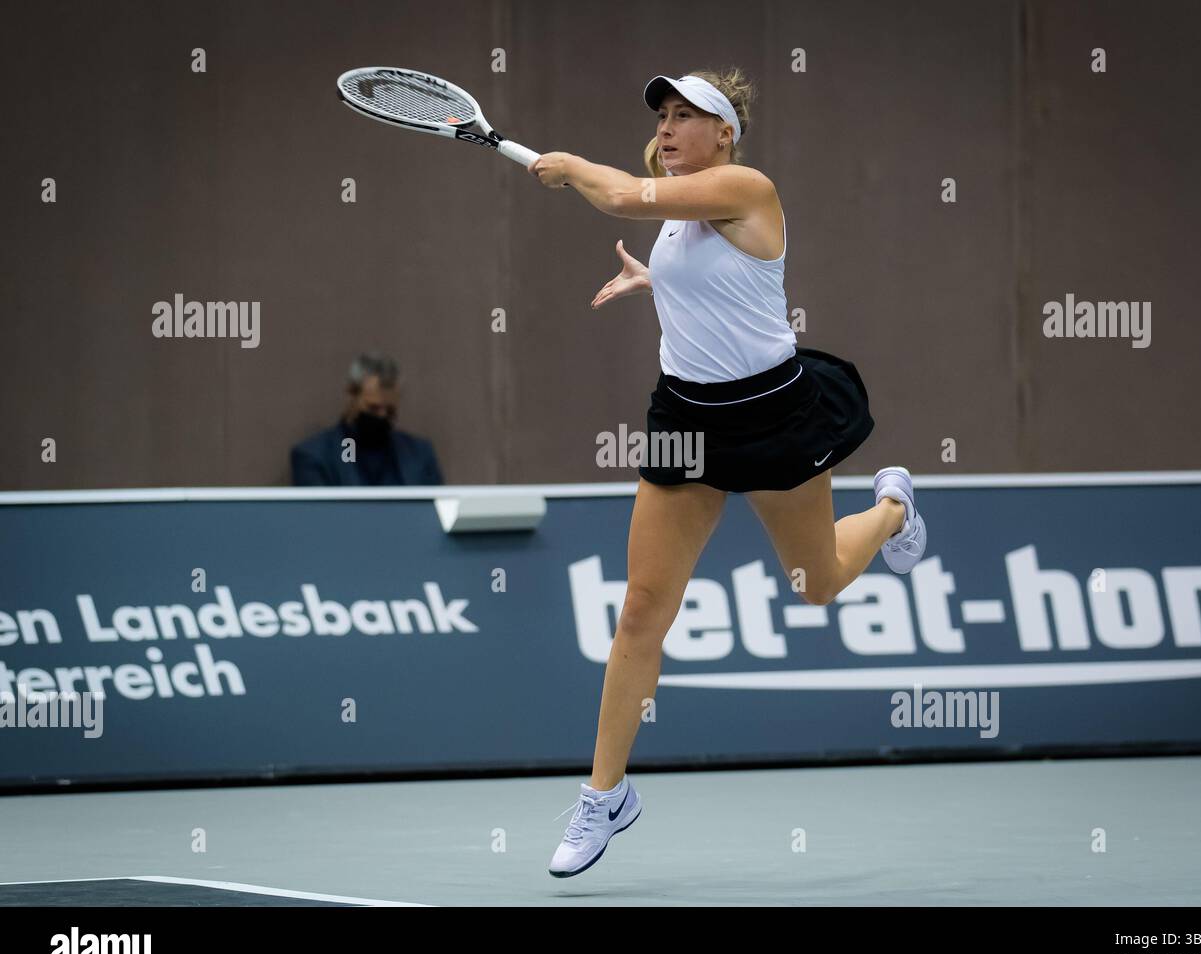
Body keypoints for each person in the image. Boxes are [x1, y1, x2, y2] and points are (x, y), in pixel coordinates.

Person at [529, 68, 928, 878]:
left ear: (726, 133)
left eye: (688, 116)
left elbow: (620, 197)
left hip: (773, 416)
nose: (669, 128)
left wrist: (571, 168)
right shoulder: (678, 216)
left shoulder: (746, 187)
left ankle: (891, 507)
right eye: (663, 117)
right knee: (642, 606)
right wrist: (659, 281)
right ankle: (605, 795)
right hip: (685, 421)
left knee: (815, 584)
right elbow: (704, 275)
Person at [290, 353, 444, 486]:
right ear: (351, 394)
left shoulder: (419, 455)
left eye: (389, 410)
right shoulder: (315, 457)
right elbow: (319, 516)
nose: (381, 416)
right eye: (373, 408)